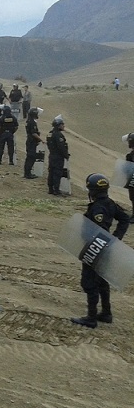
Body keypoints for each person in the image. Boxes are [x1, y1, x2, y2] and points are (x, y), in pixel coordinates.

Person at [71, 173, 129, 328]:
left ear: (93, 191)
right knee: (102, 281)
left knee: (89, 282)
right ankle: (106, 313)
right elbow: (124, 219)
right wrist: (116, 238)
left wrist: (109, 240)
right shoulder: (110, 203)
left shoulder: (98, 208)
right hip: (105, 247)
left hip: (95, 248)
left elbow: (99, 229)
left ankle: (91, 318)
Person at [46, 115, 69, 195]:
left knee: (51, 172)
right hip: (58, 157)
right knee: (57, 172)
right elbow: (61, 147)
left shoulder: (50, 133)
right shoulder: (58, 135)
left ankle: (50, 189)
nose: (64, 126)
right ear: (59, 125)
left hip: (52, 155)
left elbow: (48, 144)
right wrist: (66, 155)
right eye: (62, 124)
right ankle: (56, 190)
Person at [23, 107, 44, 179]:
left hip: (30, 141)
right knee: (31, 157)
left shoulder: (29, 121)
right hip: (31, 142)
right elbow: (34, 133)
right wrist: (41, 140)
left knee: (29, 157)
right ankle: (28, 174)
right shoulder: (32, 122)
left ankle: (27, 173)